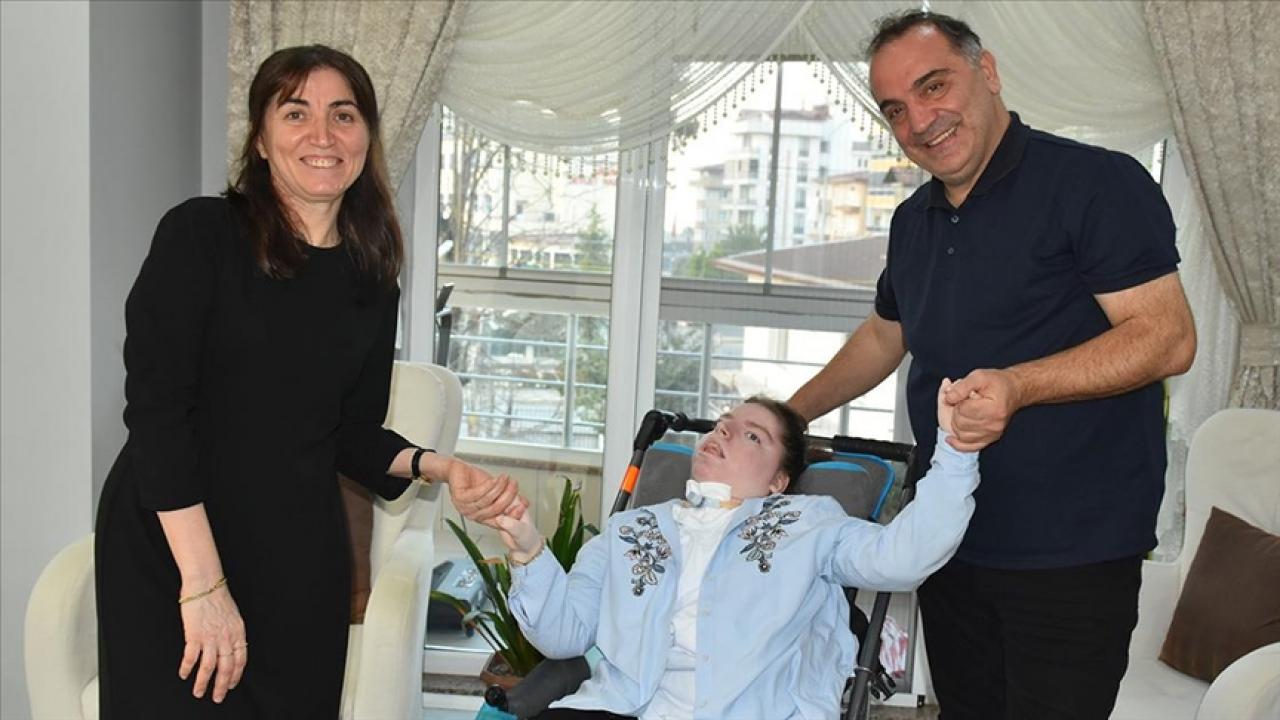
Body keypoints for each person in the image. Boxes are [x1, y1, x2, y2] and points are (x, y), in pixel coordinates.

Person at [787, 11, 1197, 720]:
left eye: (934, 86)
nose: (920, 121)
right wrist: (787, 416)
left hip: (1071, 551)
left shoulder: (1095, 183)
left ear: (988, 72)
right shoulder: (913, 219)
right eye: (895, 109)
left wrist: (1018, 385)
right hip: (948, 537)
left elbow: (1167, 338)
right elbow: (885, 336)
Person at [93, 45, 521, 719]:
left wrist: (438, 466)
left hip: (297, 555)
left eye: (343, 115)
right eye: (296, 113)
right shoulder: (200, 235)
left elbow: (348, 432)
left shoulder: (371, 276)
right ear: (261, 140)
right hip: (177, 546)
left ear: (366, 138)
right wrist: (203, 586)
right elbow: (157, 416)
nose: (322, 135)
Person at [491, 385, 979, 719]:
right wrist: (529, 550)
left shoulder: (809, 524)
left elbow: (902, 559)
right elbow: (564, 635)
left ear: (778, 482)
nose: (723, 432)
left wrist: (956, 451)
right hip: (623, 708)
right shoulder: (629, 530)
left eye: (752, 435)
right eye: (723, 424)